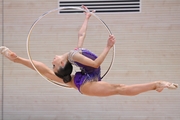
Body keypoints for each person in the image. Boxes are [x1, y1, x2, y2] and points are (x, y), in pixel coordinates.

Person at [0, 6, 178, 97]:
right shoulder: (72, 56)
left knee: (46, 73)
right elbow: (96, 64)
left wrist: (86, 18)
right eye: (54, 63)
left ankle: (16, 59)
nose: (52, 60)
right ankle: (156, 84)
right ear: (62, 64)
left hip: (86, 78)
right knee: (119, 89)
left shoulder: (73, 54)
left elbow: (81, 35)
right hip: (86, 83)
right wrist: (107, 47)